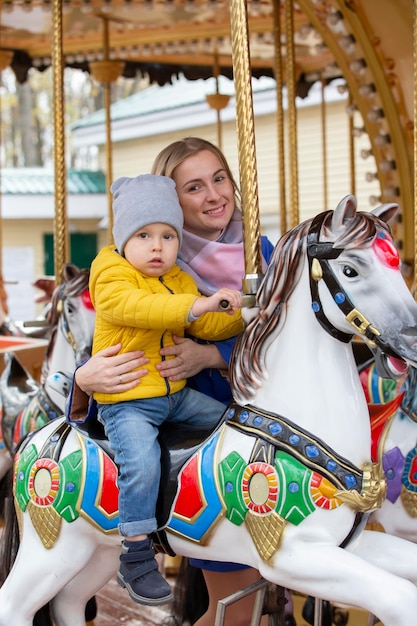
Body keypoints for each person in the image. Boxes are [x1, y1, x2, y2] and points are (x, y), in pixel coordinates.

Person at [71, 138, 295, 625]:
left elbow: (290, 331)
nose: (215, 194)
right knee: (237, 603)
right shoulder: (145, 266)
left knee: (269, 600)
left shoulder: (263, 253)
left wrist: (212, 351)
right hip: (200, 436)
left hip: (269, 419)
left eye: (219, 178)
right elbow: (123, 326)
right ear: (174, 201)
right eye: (194, 187)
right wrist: (84, 376)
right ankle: (138, 545)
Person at [89, 173, 243, 608]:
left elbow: (203, 322)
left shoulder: (177, 279)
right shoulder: (111, 273)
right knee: (139, 463)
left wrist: (235, 314)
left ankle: (213, 512)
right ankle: (136, 554)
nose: (157, 247)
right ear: (123, 240)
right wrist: (197, 305)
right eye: (144, 235)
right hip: (129, 402)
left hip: (173, 395)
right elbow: (140, 309)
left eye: (168, 236)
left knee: (231, 425)